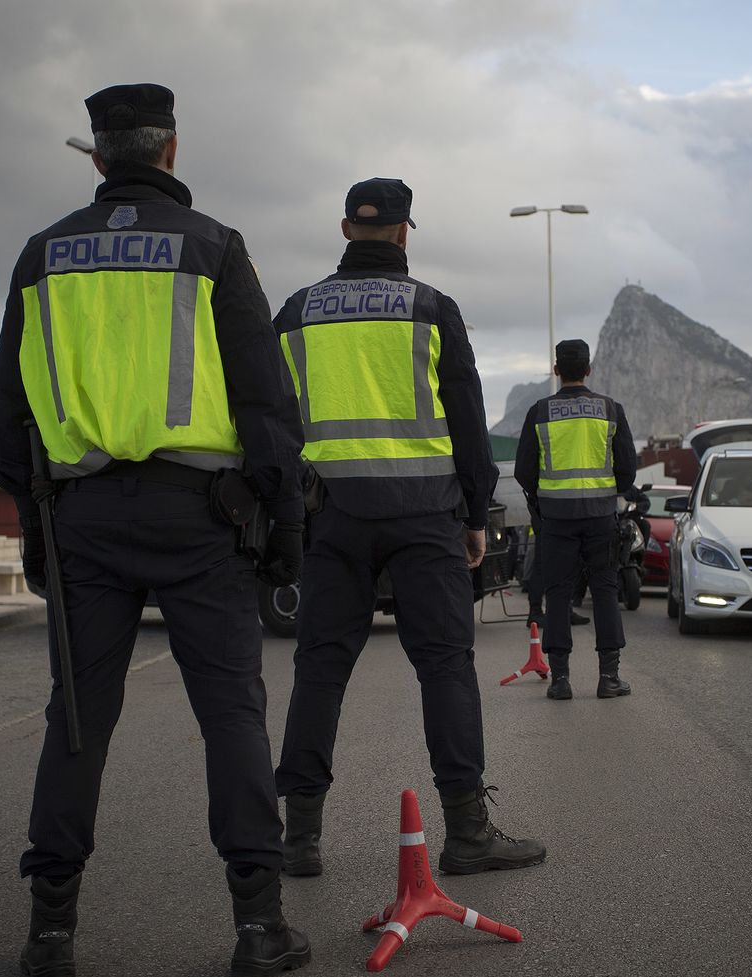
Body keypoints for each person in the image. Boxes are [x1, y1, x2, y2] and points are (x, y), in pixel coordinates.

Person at [0, 83, 310, 977]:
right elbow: (265, 405)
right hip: (203, 519)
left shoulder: (41, 256)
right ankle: (258, 926)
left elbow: (6, 415)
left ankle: (51, 935)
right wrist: (284, 526)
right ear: (171, 151)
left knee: (77, 721)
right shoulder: (214, 247)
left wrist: (38, 527)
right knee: (232, 715)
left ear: (98, 158)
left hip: (82, 518)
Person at [271, 177, 547, 878]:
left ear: (345, 229)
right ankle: (467, 832)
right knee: (445, 666)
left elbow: (268, 421)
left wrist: (286, 512)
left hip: (330, 516)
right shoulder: (432, 308)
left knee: (320, 670)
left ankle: (298, 839)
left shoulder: (297, 312)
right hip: (425, 516)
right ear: (403, 232)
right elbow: (468, 421)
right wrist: (476, 514)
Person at [514, 340, 639, 700]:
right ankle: (609, 677)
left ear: (556, 371)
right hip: (600, 518)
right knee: (605, 591)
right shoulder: (611, 410)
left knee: (557, 594)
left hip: (556, 519)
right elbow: (627, 471)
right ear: (588, 369)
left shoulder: (539, 412)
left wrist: (545, 498)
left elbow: (524, 471)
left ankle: (560, 681)